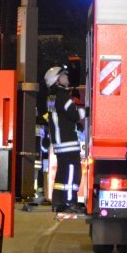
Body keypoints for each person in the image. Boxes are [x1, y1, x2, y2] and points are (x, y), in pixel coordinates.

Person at [45, 65, 86, 213]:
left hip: (59, 143)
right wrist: (86, 110)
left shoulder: (52, 97)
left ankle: (58, 202)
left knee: (62, 173)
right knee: (72, 172)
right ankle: (70, 202)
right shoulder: (63, 97)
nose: (66, 77)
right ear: (57, 81)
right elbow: (74, 116)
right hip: (68, 142)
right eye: (63, 76)